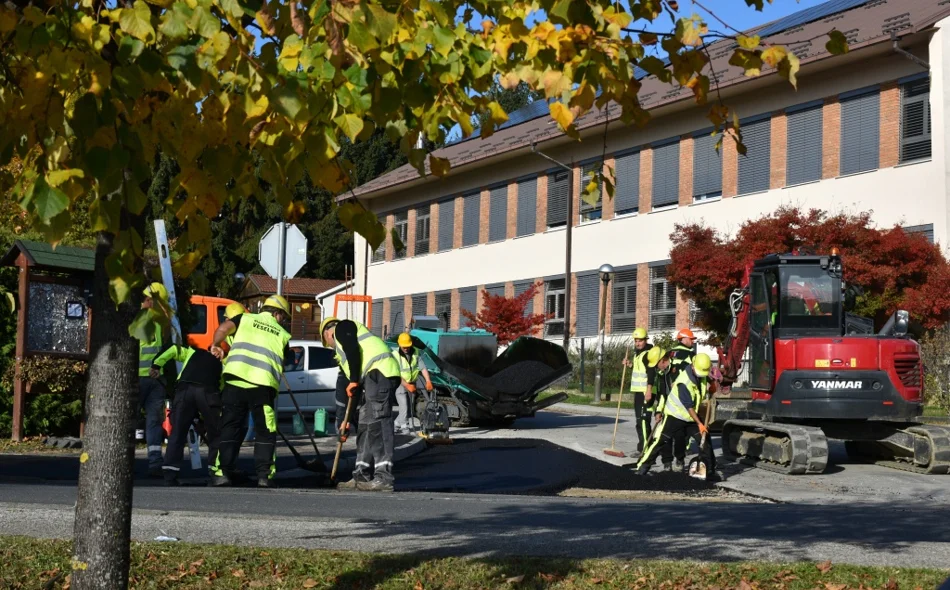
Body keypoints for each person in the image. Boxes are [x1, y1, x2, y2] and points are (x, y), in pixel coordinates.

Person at [210, 295, 292, 488]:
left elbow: (222, 329)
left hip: (235, 380)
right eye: (284, 317)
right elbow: (284, 363)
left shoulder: (244, 318)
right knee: (265, 431)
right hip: (262, 386)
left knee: (230, 427)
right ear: (277, 314)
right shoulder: (283, 334)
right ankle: (264, 476)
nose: (283, 321)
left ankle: (222, 473)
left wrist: (216, 345)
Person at [320, 316, 401, 492]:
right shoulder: (345, 358)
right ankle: (360, 475)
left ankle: (384, 477)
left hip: (380, 372)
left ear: (327, 333)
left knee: (379, 424)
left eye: (328, 343)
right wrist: (346, 421)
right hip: (371, 378)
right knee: (365, 425)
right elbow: (352, 391)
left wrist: (354, 380)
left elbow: (353, 352)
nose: (331, 347)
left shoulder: (343, 327)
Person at [152, 343, 223, 486]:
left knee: (177, 432)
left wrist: (156, 365)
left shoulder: (192, 352)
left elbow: (173, 349)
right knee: (216, 433)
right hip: (208, 391)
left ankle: (170, 473)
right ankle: (216, 473)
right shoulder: (225, 362)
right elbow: (221, 388)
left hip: (184, 390)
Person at [635, 353, 715, 476]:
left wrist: (714, 384)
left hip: (690, 417)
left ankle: (710, 471)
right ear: (693, 366)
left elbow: (710, 380)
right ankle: (642, 468)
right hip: (675, 415)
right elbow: (688, 406)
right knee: (661, 441)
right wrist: (700, 423)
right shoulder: (684, 382)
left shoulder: (701, 373)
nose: (701, 375)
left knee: (705, 441)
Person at [139, 282, 171, 477]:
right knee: (153, 421)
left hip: (141, 378)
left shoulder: (136, 318)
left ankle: (151, 462)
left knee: (132, 420)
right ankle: (155, 462)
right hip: (155, 378)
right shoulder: (160, 320)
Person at [621, 327, 654, 457]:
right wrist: (630, 364)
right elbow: (640, 370)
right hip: (639, 392)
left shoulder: (648, 354)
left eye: (640, 340)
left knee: (643, 421)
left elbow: (651, 373)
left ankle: (644, 449)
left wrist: (649, 390)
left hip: (645, 392)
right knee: (639, 421)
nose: (637, 343)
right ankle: (646, 446)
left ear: (645, 340)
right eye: (636, 341)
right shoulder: (638, 354)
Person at [393, 332, 433, 434]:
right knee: (404, 406)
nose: (406, 348)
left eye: (408, 346)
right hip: (400, 383)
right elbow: (395, 373)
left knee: (408, 408)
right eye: (404, 346)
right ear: (399, 344)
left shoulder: (416, 352)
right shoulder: (395, 355)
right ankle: (404, 427)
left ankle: (396, 424)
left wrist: (428, 381)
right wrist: (406, 385)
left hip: (412, 383)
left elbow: (423, 368)